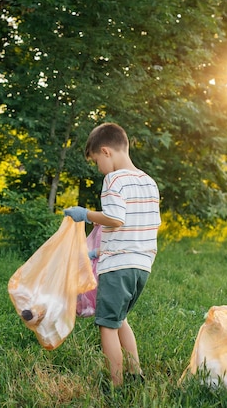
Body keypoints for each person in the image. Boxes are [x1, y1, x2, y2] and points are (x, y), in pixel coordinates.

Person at [64, 123, 161, 387]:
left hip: (118, 266)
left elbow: (115, 219)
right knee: (120, 320)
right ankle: (135, 373)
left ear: (106, 152)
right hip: (142, 266)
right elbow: (143, 224)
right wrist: (98, 251)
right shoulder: (148, 181)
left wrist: (85, 214)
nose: (98, 169)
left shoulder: (114, 180)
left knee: (106, 324)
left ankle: (115, 385)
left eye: (96, 162)